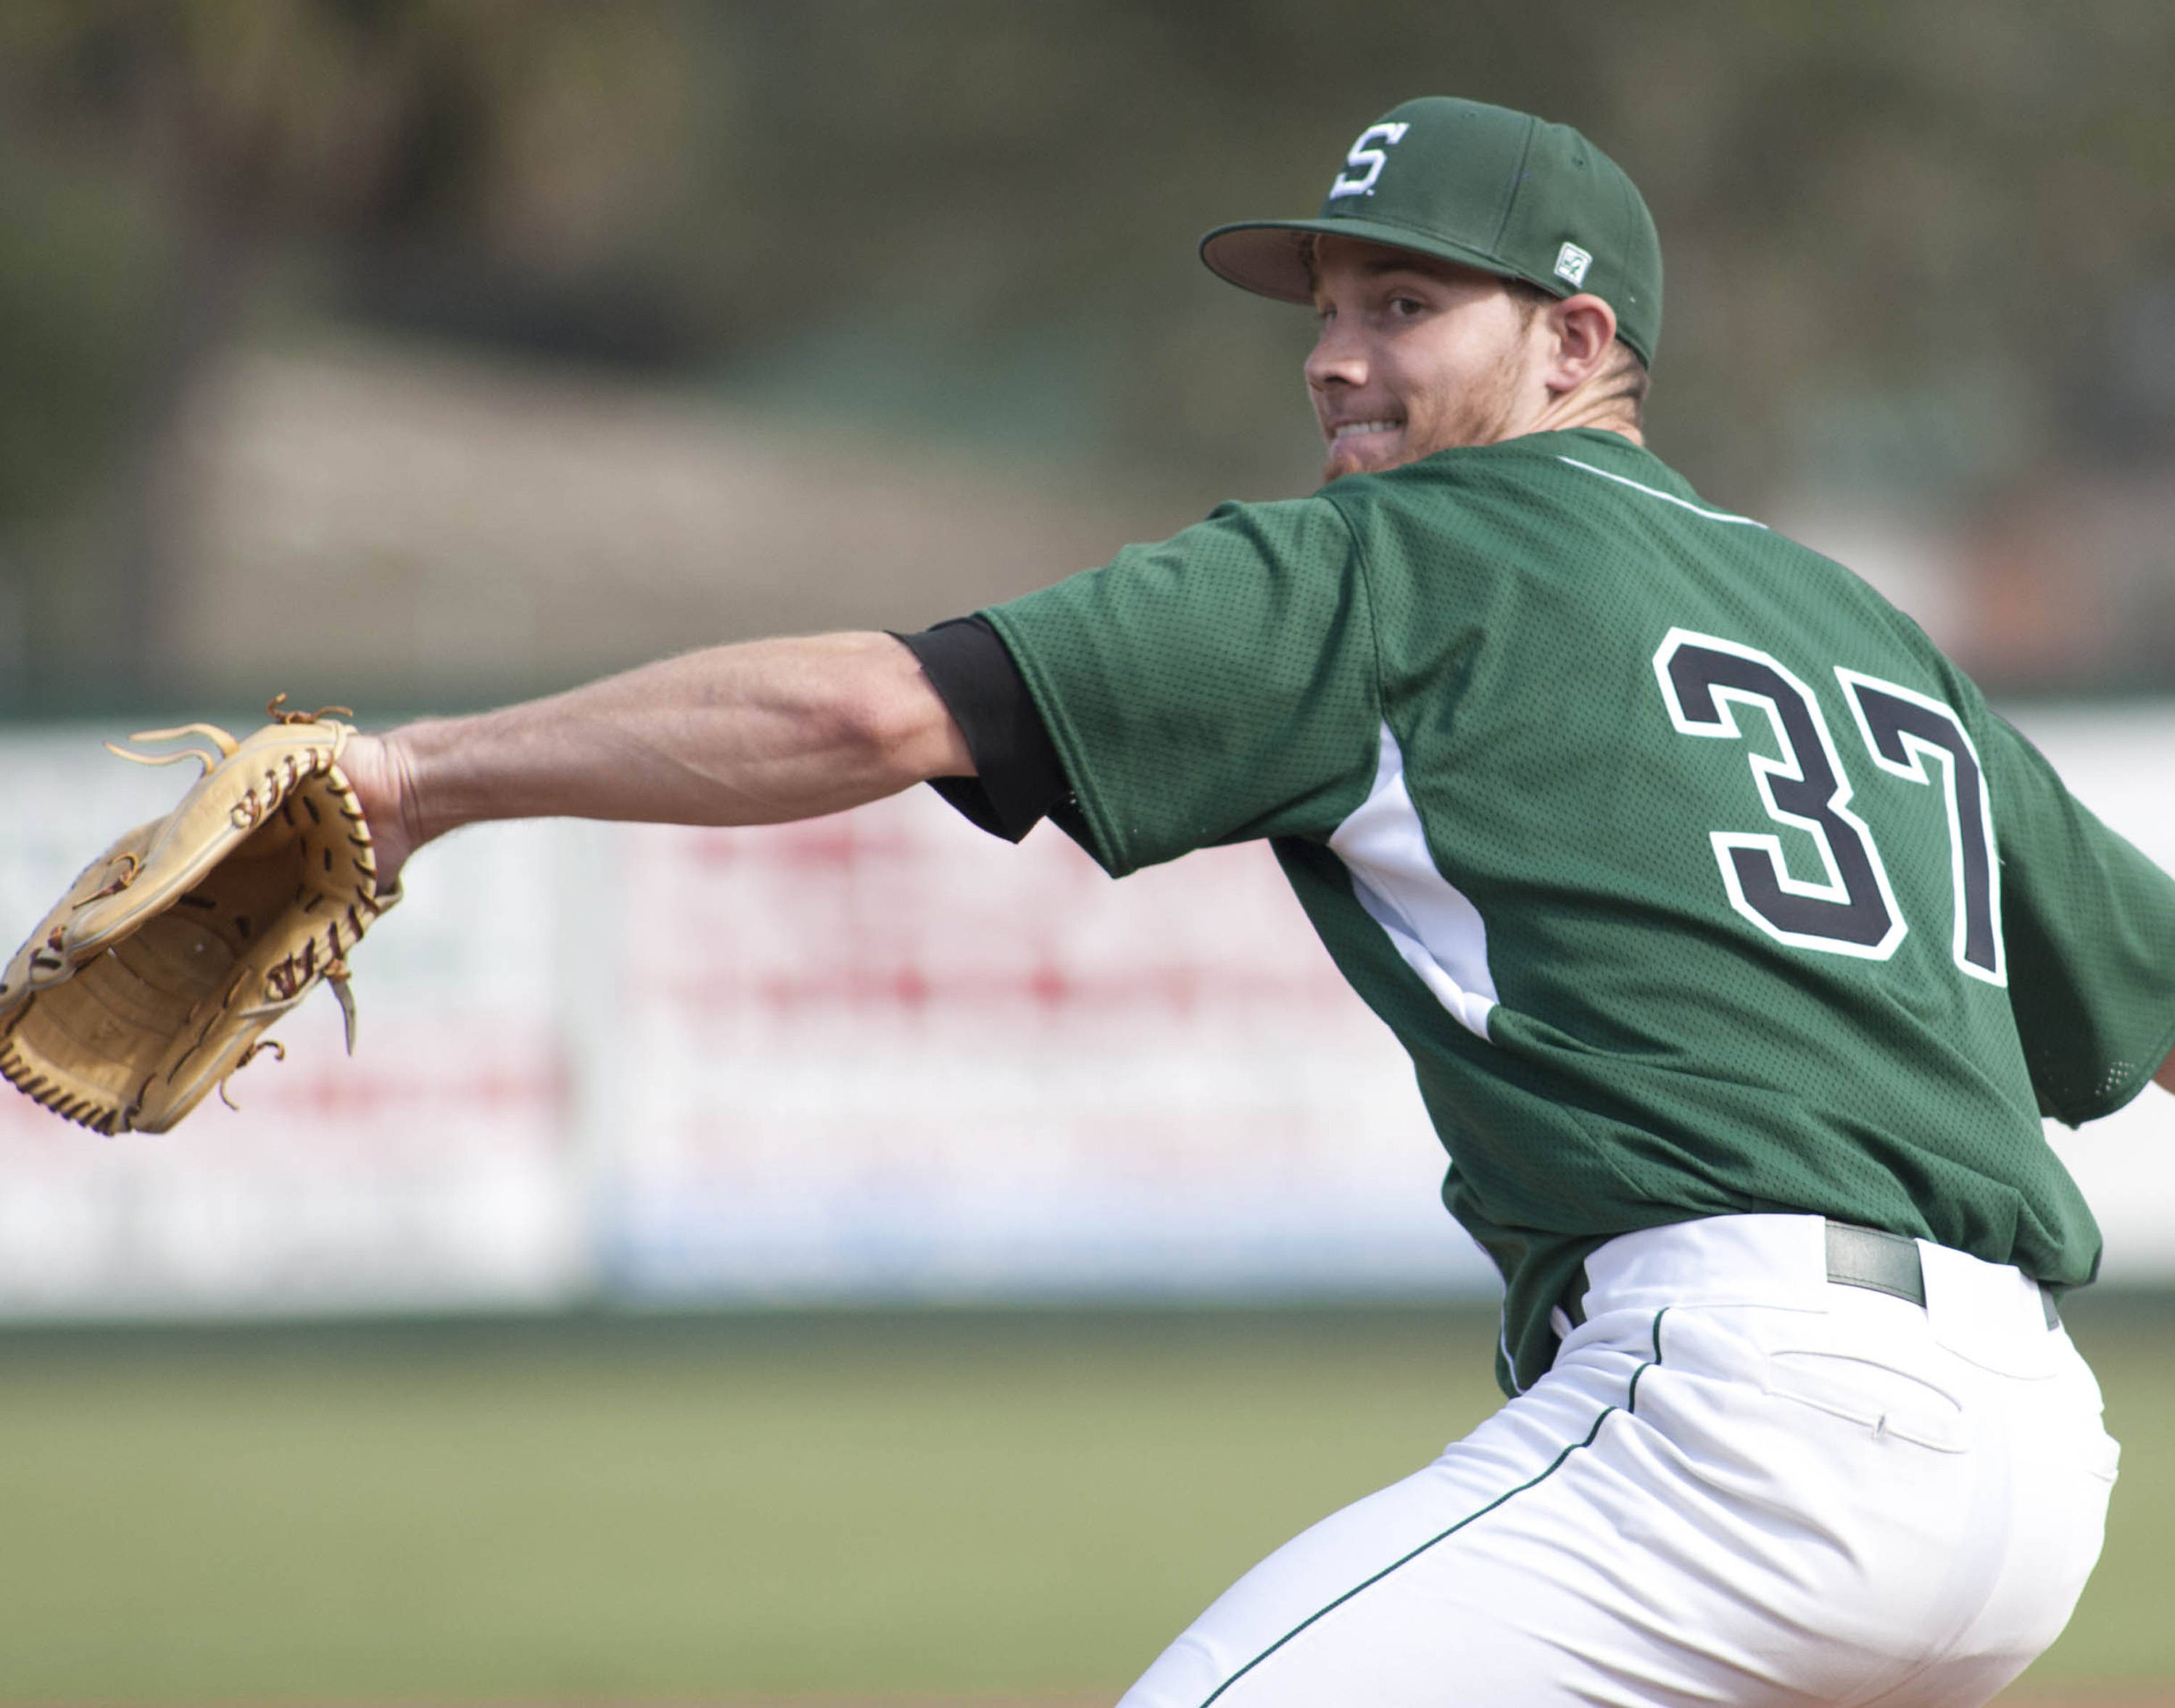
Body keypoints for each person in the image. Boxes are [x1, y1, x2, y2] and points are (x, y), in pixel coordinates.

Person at [341, 97, 2175, 1706]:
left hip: (1746, 1423)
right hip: (2029, 1461)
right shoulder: (1859, 623)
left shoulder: (1404, 558)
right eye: (1325, 311)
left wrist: (421, 778)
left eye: (1405, 303)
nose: (1332, 357)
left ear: (1575, 341)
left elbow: (870, 709)